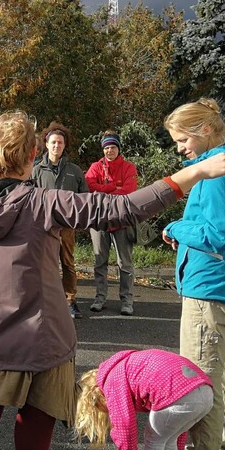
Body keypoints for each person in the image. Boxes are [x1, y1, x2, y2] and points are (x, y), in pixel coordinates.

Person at [0, 109, 225, 450]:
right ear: (32, 156)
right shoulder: (43, 202)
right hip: (46, 344)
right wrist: (195, 172)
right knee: (32, 447)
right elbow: (121, 209)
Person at [162, 97, 225, 450]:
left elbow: (217, 235)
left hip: (208, 291)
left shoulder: (215, 172)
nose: (180, 149)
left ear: (204, 131)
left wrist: (175, 227)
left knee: (202, 386)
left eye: (182, 140)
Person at [74, 349, 213, 450]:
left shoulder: (112, 381)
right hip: (205, 391)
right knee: (169, 439)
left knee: (154, 441)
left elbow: (124, 428)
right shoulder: (127, 364)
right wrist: (180, 448)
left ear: (95, 397)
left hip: (180, 395)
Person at [30, 122, 88, 319]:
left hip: (67, 225)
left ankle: (70, 300)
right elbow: (30, 198)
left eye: (60, 143)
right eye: (53, 142)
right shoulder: (36, 170)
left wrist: (78, 218)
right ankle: (48, 301)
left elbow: (84, 197)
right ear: (46, 144)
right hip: (44, 226)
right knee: (46, 264)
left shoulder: (74, 170)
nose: (56, 146)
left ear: (65, 145)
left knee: (68, 263)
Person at [84, 129, 138, 315]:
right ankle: (100, 298)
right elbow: (89, 186)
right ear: (103, 149)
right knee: (100, 260)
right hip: (99, 220)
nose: (110, 151)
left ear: (118, 148)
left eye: (113, 147)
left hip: (122, 220)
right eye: (107, 148)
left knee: (125, 263)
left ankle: (127, 300)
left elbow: (129, 191)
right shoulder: (95, 167)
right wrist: (114, 187)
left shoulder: (128, 167)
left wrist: (103, 191)